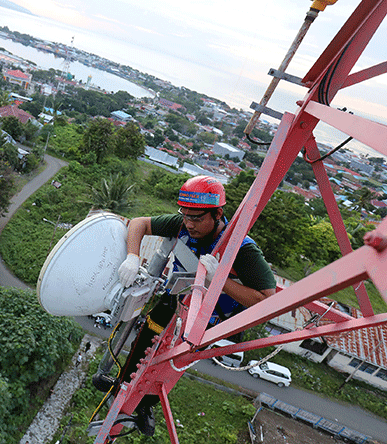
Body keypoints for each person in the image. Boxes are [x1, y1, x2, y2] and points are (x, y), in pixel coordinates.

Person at [96, 175, 276, 436]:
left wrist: (219, 281)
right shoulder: (182, 225)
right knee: (142, 345)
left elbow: (266, 300)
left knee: (168, 367)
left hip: (203, 320)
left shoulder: (243, 249)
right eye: (186, 216)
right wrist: (133, 256)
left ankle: (145, 406)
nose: (189, 224)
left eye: (197, 218)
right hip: (173, 303)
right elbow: (138, 224)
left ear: (217, 214)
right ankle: (122, 385)